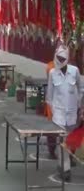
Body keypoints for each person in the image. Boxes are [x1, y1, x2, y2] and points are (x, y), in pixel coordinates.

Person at [46, 45, 82, 182]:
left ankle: (61, 166)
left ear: (67, 59)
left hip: (72, 113)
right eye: (58, 58)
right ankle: (66, 170)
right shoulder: (52, 73)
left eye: (62, 58)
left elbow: (81, 87)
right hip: (59, 115)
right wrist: (53, 112)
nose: (59, 60)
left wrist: (79, 103)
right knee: (62, 141)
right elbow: (49, 96)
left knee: (69, 142)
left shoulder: (75, 71)